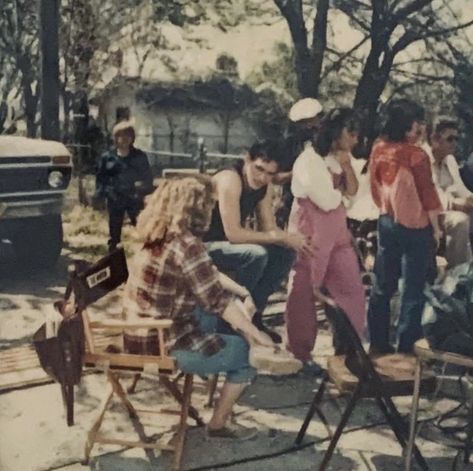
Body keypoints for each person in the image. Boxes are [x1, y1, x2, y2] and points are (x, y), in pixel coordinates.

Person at [123, 176, 274, 440]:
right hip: (164, 345)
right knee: (250, 355)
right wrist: (256, 335)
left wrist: (242, 292)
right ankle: (218, 425)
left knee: (226, 315)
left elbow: (209, 274)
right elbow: (217, 300)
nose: (211, 209)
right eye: (209, 204)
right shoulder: (186, 245)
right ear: (196, 207)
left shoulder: (157, 236)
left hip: (137, 334)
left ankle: (223, 353)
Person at [203, 141, 312, 344]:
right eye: (258, 169)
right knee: (255, 254)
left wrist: (291, 240)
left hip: (229, 246)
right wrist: (278, 237)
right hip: (203, 247)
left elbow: (268, 227)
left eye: (270, 174)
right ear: (248, 160)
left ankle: (255, 316)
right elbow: (233, 233)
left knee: (284, 253)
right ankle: (230, 322)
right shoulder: (230, 179)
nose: (262, 177)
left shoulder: (264, 186)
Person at [285, 108, 366, 374]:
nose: (355, 139)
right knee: (305, 290)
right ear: (334, 133)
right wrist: (341, 194)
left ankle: (349, 349)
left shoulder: (340, 158)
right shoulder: (309, 160)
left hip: (338, 233)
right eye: (350, 133)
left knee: (351, 287)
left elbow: (353, 193)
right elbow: (327, 200)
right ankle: (300, 353)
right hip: (312, 231)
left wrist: (345, 169)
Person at [367, 99, 442, 354]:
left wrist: (387, 208)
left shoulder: (378, 148)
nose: (420, 128)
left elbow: (374, 186)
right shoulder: (417, 155)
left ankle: (377, 343)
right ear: (407, 125)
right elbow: (428, 194)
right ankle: (406, 347)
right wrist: (437, 228)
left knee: (382, 285)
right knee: (412, 288)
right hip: (417, 226)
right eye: (417, 123)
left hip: (387, 221)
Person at [95, 120, 153, 251]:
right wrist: (101, 195)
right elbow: (100, 178)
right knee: (114, 232)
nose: (124, 139)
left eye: (128, 135)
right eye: (121, 135)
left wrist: (142, 188)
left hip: (134, 198)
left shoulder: (140, 156)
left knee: (143, 227)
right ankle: (113, 258)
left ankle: (149, 253)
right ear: (116, 138)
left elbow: (148, 177)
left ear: (132, 138)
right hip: (115, 198)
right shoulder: (107, 157)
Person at [423, 117, 473, 267]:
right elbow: (429, 195)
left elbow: (461, 190)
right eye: (450, 139)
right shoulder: (422, 159)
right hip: (428, 213)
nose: (454, 144)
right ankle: (457, 271)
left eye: (456, 139)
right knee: (460, 221)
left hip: (447, 209)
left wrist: (469, 199)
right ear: (434, 139)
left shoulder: (449, 160)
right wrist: (454, 203)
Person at [274, 98, 324, 228]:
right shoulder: (289, 145)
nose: (310, 127)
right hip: (294, 201)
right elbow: (276, 177)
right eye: (305, 123)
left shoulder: (327, 143)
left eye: (313, 122)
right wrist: (298, 173)